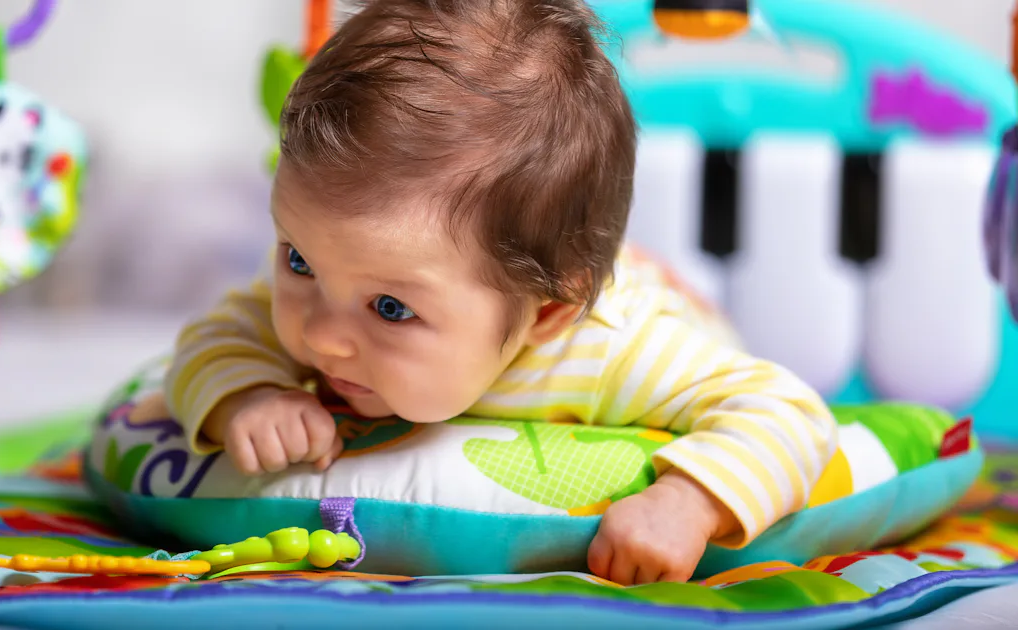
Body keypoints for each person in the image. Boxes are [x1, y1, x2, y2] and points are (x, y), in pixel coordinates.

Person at [165, 0, 836, 585]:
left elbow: (789, 415)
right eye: (297, 260)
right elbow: (213, 340)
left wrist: (688, 503)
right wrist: (247, 397)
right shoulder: (348, 269)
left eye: (391, 309)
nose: (321, 336)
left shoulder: (614, 351)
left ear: (547, 314)